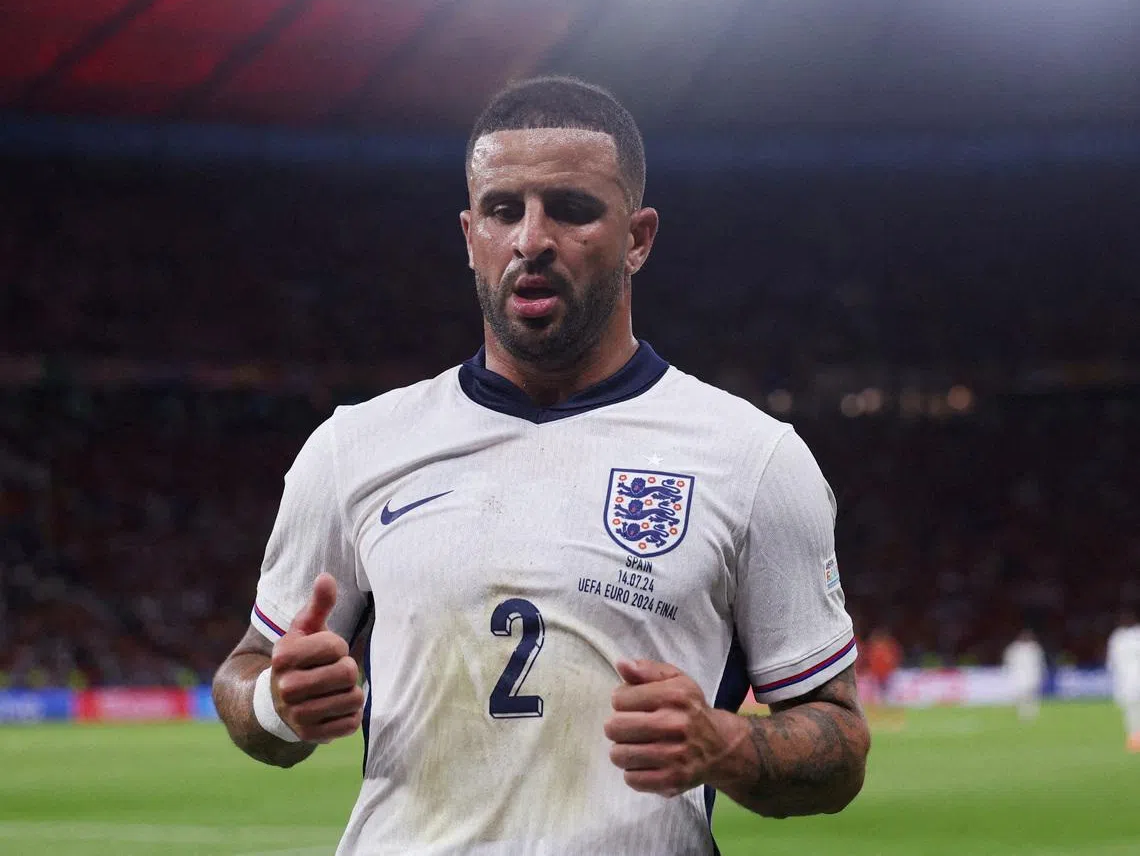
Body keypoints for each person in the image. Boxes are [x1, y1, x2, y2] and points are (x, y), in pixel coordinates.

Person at [212, 76, 870, 856]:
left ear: (638, 236)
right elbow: (245, 673)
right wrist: (276, 707)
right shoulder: (354, 447)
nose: (531, 238)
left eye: (572, 208)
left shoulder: (752, 457)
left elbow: (838, 744)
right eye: (502, 210)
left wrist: (725, 746)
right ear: (468, 235)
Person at [1106, 609, 1140, 752]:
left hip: (1134, 677)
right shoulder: (1117, 637)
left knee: (1134, 708)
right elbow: (1112, 660)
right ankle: (1134, 737)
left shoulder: (1135, 635)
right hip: (1125, 679)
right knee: (1130, 708)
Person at [1002, 630, 1046, 721]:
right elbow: (1008, 661)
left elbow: (1039, 662)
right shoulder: (1015, 648)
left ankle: (1030, 713)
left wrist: (1041, 673)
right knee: (1021, 695)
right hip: (1019, 675)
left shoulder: (1034, 648)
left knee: (1031, 695)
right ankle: (1024, 713)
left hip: (1031, 674)